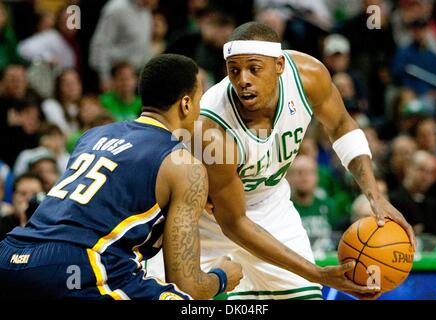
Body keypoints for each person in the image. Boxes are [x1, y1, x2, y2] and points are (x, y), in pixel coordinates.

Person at [149, 22, 415, 300]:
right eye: (234, 70)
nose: (243, 80)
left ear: (279, 65)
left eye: (254, 68)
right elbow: (234, 223)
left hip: (270, 205)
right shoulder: (212, 130)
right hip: (205, 222)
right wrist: (317, 274)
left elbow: (341, 126)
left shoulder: (309, 76)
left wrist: (375, 197)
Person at [0, 54, 242, 300]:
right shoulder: (183, 164)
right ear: (186, 104)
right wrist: (222, 277)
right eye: (200, 100)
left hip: (10, 254)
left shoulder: (93, 136)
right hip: (77, 264)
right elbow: (187, 284)